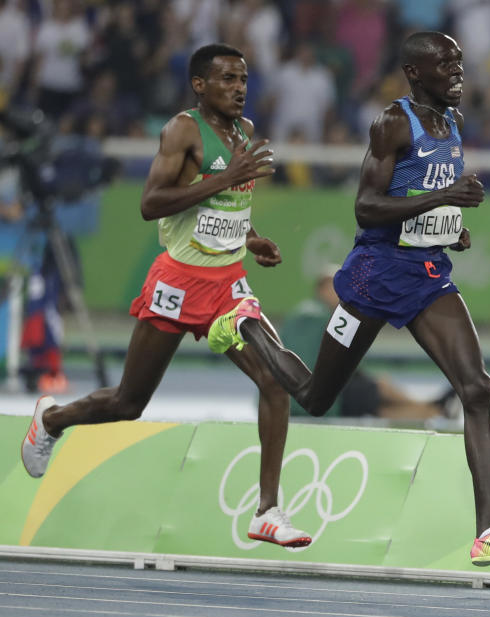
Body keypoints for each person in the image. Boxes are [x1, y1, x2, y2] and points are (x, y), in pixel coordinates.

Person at [207, 32, 490, 568]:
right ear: (414, 73)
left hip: (427, 273)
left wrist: (449, 225)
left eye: (460, 63)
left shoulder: (451, 123)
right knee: (316, 396)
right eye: (447, 65)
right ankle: (246, 326)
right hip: (376, 275)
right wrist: (446, 198)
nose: (459, 73)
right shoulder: (394, 123)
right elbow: (367, 207)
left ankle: (488, 533)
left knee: (477, 387)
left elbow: (419, 202)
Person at [20, 43, 311, 550]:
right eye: (226, 79)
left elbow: (224, 204)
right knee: (129, 403)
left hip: (228, 285)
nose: (239, 88)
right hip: (177, 282)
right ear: (200, 85)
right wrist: (226, 177)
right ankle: (52, 419)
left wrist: (250, 236)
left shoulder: (242, 133)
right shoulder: (182, 130)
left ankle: (268, 510)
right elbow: (151, 204)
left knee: (275, 382)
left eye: (243, 79)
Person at [282, 266, 490, 422]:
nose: (342, 290)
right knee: (382, 389)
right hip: (321, 393)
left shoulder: (309, 315)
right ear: (322, 288)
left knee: (383, 410)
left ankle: (439, 408)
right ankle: (439, 406)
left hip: (316, 394)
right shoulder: (316, 316)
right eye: (335, 284)